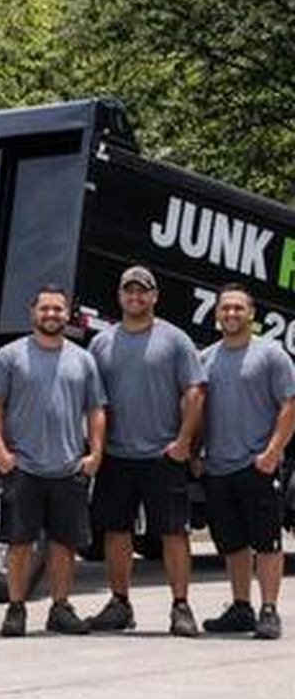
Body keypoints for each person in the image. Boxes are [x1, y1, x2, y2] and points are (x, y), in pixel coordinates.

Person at [86, 265, 206, 636]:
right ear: (120, 296)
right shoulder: (101, 343)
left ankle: (181, 607)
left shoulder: (175, 340)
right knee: (116, 531)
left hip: (162, 455)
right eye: (129, 290)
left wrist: (183, 443)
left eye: (142, 290)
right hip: (116, 455)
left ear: (154, 296)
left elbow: (195, 391)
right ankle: (119, 604)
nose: (135, 296)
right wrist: (96, 448)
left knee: (173, 532)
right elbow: (93, 401)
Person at [0, 284, 106, 637]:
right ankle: (16, 609)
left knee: (64, 544)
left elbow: (96, 408)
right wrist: (0, 452)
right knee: (19, 543)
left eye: (58, 309)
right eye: (45, 309)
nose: (52, 314)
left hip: (68, 467)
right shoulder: (10, 356)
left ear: (68, 315)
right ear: (33, 312)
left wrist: (95, 453)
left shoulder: (83, 359)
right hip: (24, 467)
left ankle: (60, 608)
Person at [199, 284, 295, 639]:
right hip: (218, 466)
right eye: (225, 308)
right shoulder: (206, 358)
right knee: (233, 543)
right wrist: (197, 454)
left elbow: (290, 405)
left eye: (239, 308)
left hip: (258, 466)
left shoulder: (271, 355)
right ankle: (241, 608)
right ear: (216, 313)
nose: (231, 314)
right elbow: (198, 410)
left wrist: (271, 453)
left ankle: (269, 610)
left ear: (252, 314)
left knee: (267, 542)